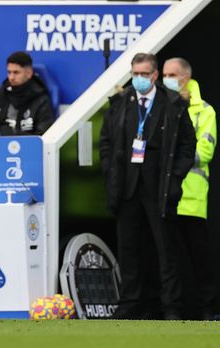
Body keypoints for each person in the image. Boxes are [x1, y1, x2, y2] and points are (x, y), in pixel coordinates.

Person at [99, 53, 196, 320]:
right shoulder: (120, 103)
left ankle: (171, 306)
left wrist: (175, 178)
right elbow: (106, 141)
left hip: (159, 185)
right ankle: (129, 303)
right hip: (127, 186)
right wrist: (110, 173)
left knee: (166, 249)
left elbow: (188, 145)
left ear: (154, 76)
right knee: (128, 247)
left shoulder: (173, 104)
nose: (138, 79)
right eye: (134, 74)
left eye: (143, 74)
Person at [162, 57, 217, 320]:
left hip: (192, 196)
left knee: (199, 258)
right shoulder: (158, 106)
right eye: (163, 73)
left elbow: (205, 152)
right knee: (168, 260)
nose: (166, 78)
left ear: (185, 77)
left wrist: (171, 153)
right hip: (163, 194)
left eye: (171, 74)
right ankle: (172, 310)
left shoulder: (204, 110)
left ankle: (208, 310)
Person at [0, 51, 54, 136]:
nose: (11, 77)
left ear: (29, 73)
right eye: (9, 72)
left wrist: (13, 134)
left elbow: (43, 135)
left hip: (28, 147)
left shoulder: (41, 100)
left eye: (16, 72)